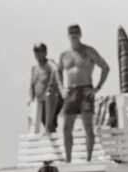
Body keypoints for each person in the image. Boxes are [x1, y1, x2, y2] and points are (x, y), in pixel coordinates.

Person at [57, 24, 110, 163]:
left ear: (80, 34)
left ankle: (89, 158)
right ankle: (68, 159)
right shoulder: (64, 54)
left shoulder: (88, 51)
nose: (73, 35)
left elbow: (105, 67)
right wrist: (62, 88)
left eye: (76, 33)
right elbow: (58, 71)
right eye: (71, 33)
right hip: (71, 91)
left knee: (88, 126)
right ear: (68, 35)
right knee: (67, 127)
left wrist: (97, 87)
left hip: (85, 89)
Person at [29, 42, 62, 133]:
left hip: (51, 99)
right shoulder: (34, 68)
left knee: (49, 123)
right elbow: (32, 85)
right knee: (45, 123)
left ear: (45, 52)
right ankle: (52, 139)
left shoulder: (50, 64)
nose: (38, 53)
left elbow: (56, 71)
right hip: (40, 102)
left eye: (40, 51)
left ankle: (53, 140)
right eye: (36, 51)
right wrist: (31, 100)